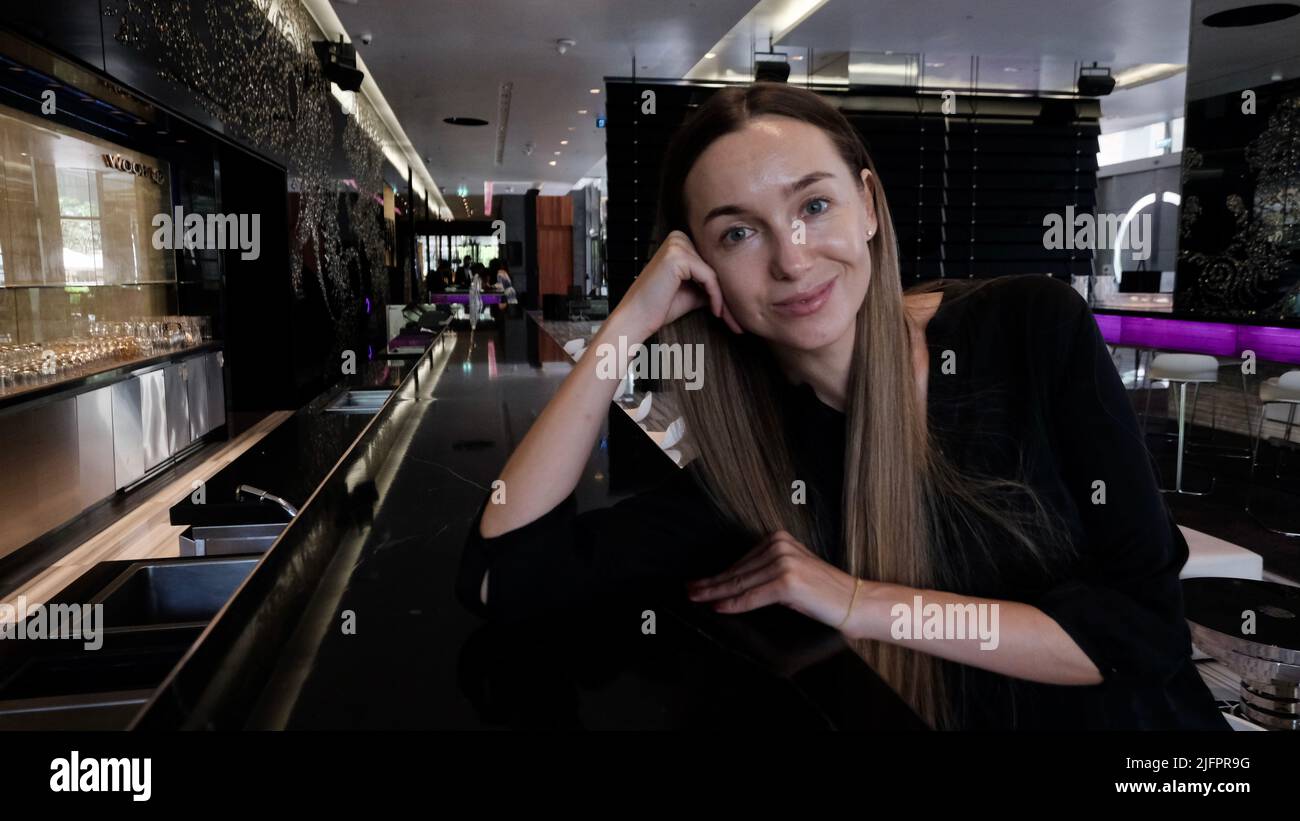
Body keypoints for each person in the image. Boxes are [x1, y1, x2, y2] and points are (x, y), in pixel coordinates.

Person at [459, 83, 1226, 730]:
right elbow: (505, 576)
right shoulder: (759, 462)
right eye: (737, 233)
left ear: (867, 205)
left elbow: (1142, 633)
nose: (792, 258)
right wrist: (625, 324)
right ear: (700, 270)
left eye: (814, 205)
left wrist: (857, 599)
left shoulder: (1031, 327)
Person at [468, 264, 483, 330]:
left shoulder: (476, 278)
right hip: (475, 301)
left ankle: (473, 323)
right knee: (474, 313)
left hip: (474, 301)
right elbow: (477, 290)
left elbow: (476, 290)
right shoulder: (477, 278)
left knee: (474, 313)